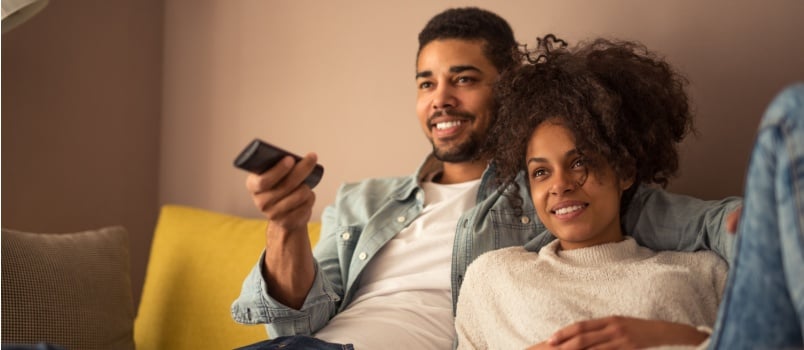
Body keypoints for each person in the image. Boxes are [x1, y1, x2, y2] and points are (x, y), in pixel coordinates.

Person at [231, 8, 741, 349]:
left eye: (464, 79)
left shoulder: (547, 191)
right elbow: (295, 323)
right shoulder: (362, 201)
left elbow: (716, 226)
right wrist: (287, 226)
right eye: (426, 83)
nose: (441, 99)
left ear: (510, 85)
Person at [454, 36, 804, 349]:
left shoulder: (701, 272)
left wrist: (670, 336)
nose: (559, 185)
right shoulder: (494, 277)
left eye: (579, 162)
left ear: (624, 171)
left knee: (794, 111)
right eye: (541, 172)